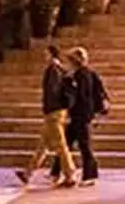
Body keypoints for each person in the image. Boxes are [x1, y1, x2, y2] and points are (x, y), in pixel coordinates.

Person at [15, 45, 78, 188]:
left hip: (53, 112)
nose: (44, 56)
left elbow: (52, 91)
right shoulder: (60, 69)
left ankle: (70, 174)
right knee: (42, 145)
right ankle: (28, 173)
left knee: (60, 145)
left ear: (51, 54)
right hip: (56, 111)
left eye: (46, 53)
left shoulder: (53, 70)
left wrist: (48, 108)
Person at [62, 46, 108, 185]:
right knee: (66, 144)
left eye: (69, 61)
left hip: (80, 115)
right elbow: (100, 91)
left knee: (83, 146)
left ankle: (89, 176)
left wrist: (68, 83)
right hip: (84, 115)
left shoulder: (78, 76)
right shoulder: (91, 73)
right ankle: (62, 172)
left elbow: (78, 96)